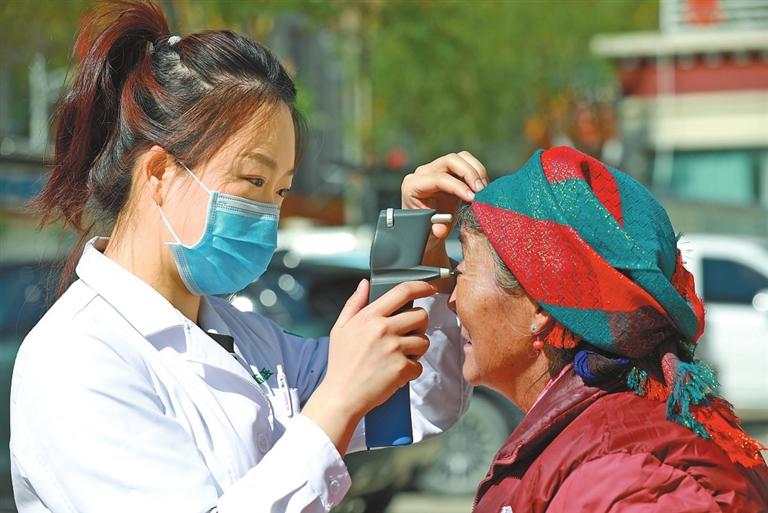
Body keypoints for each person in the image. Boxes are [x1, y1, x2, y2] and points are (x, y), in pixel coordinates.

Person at [9, 2, 487, 511]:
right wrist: (337, 402)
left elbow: (419, 399)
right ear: (159, 174)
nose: (267, 213)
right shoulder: (77, 359)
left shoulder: (248, 340)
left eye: (279, 191)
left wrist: (414, 245)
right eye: (253, 180)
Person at [450, 146, 768, 513]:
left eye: (462, 270)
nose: (452, 299)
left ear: (539, 307)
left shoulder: (636, 479)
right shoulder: (608, 451)